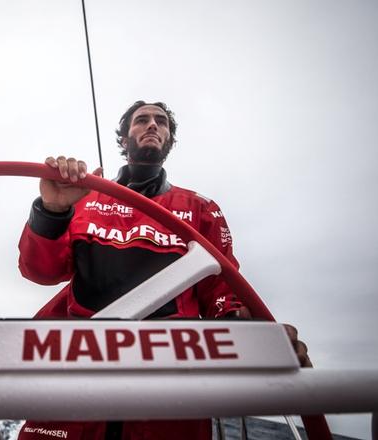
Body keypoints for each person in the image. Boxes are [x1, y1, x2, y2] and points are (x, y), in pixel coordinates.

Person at [17, 100, 310, 440]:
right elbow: (39, 270)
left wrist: (254, 336)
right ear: (124, 139)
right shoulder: (83, 199)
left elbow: (222, 294)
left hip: (170, 381)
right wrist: (52, 210)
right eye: (142, 120)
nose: (153, 125)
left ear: (169, 138)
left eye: (161, 121)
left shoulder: (200, 208)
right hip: (75, 367)